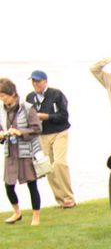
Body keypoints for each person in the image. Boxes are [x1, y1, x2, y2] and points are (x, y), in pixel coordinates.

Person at [24, 71, 74, 208]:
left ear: (45, 81)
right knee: (48, 167)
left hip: (59, 132)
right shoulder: (30, 98)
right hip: (42, 135)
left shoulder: (56, 94)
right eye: (33, 81)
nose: (36, 84)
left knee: (59, 163)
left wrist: (46, 116)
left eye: (38, 81)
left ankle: (68, 197)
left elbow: (64, 115)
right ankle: (60, 200)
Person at [2, 79, 43, 226]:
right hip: (10, 152)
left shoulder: (27, 107)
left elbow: (37, 129)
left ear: (12, 93)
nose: (2, 99)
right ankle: (17, 212)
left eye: (3, 96)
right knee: (8, 185)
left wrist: (19, 132)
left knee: (32, 184)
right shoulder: (2, 110)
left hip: (26, 152)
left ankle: (36, 216)